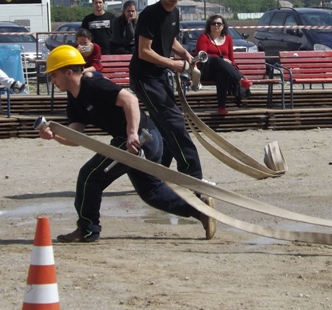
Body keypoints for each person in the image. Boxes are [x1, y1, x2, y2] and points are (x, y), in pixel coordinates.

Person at [38, 46, 215, 243]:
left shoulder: (93, 83)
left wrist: (132, 134)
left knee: (89, 176)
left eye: (54, 75)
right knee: (151, 192)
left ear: (69, 72)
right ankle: (201, 210)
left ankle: (87, 230)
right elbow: (76, 136)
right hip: (135, 140)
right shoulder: (74, 97)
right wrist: (55, 135)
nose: (52, 81)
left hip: (141, 138)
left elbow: (130, 100)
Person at [129, 0, 205, 180]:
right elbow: (143, 51)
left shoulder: (175, 13)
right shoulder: (149, 14)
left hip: (160, 75)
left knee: (166, 123)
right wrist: (172, 64)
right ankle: (192, 175)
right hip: (144, 77)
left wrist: (185, 54)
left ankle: (157, 173)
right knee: (174, 122)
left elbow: (169, 39)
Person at [194, 14, 253, 115]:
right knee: (217, 60)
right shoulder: (204, 37)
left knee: (223, 73)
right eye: (213, 23)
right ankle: (241, 79)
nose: (216, 25)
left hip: (221, 70)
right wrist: (222, 59)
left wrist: (233, 68)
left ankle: (221, 107)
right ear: (209, 26)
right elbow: (202, 56)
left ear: (223, 26)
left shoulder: (228, 39)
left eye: (219, 23)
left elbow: (231, 59)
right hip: (206, 69)